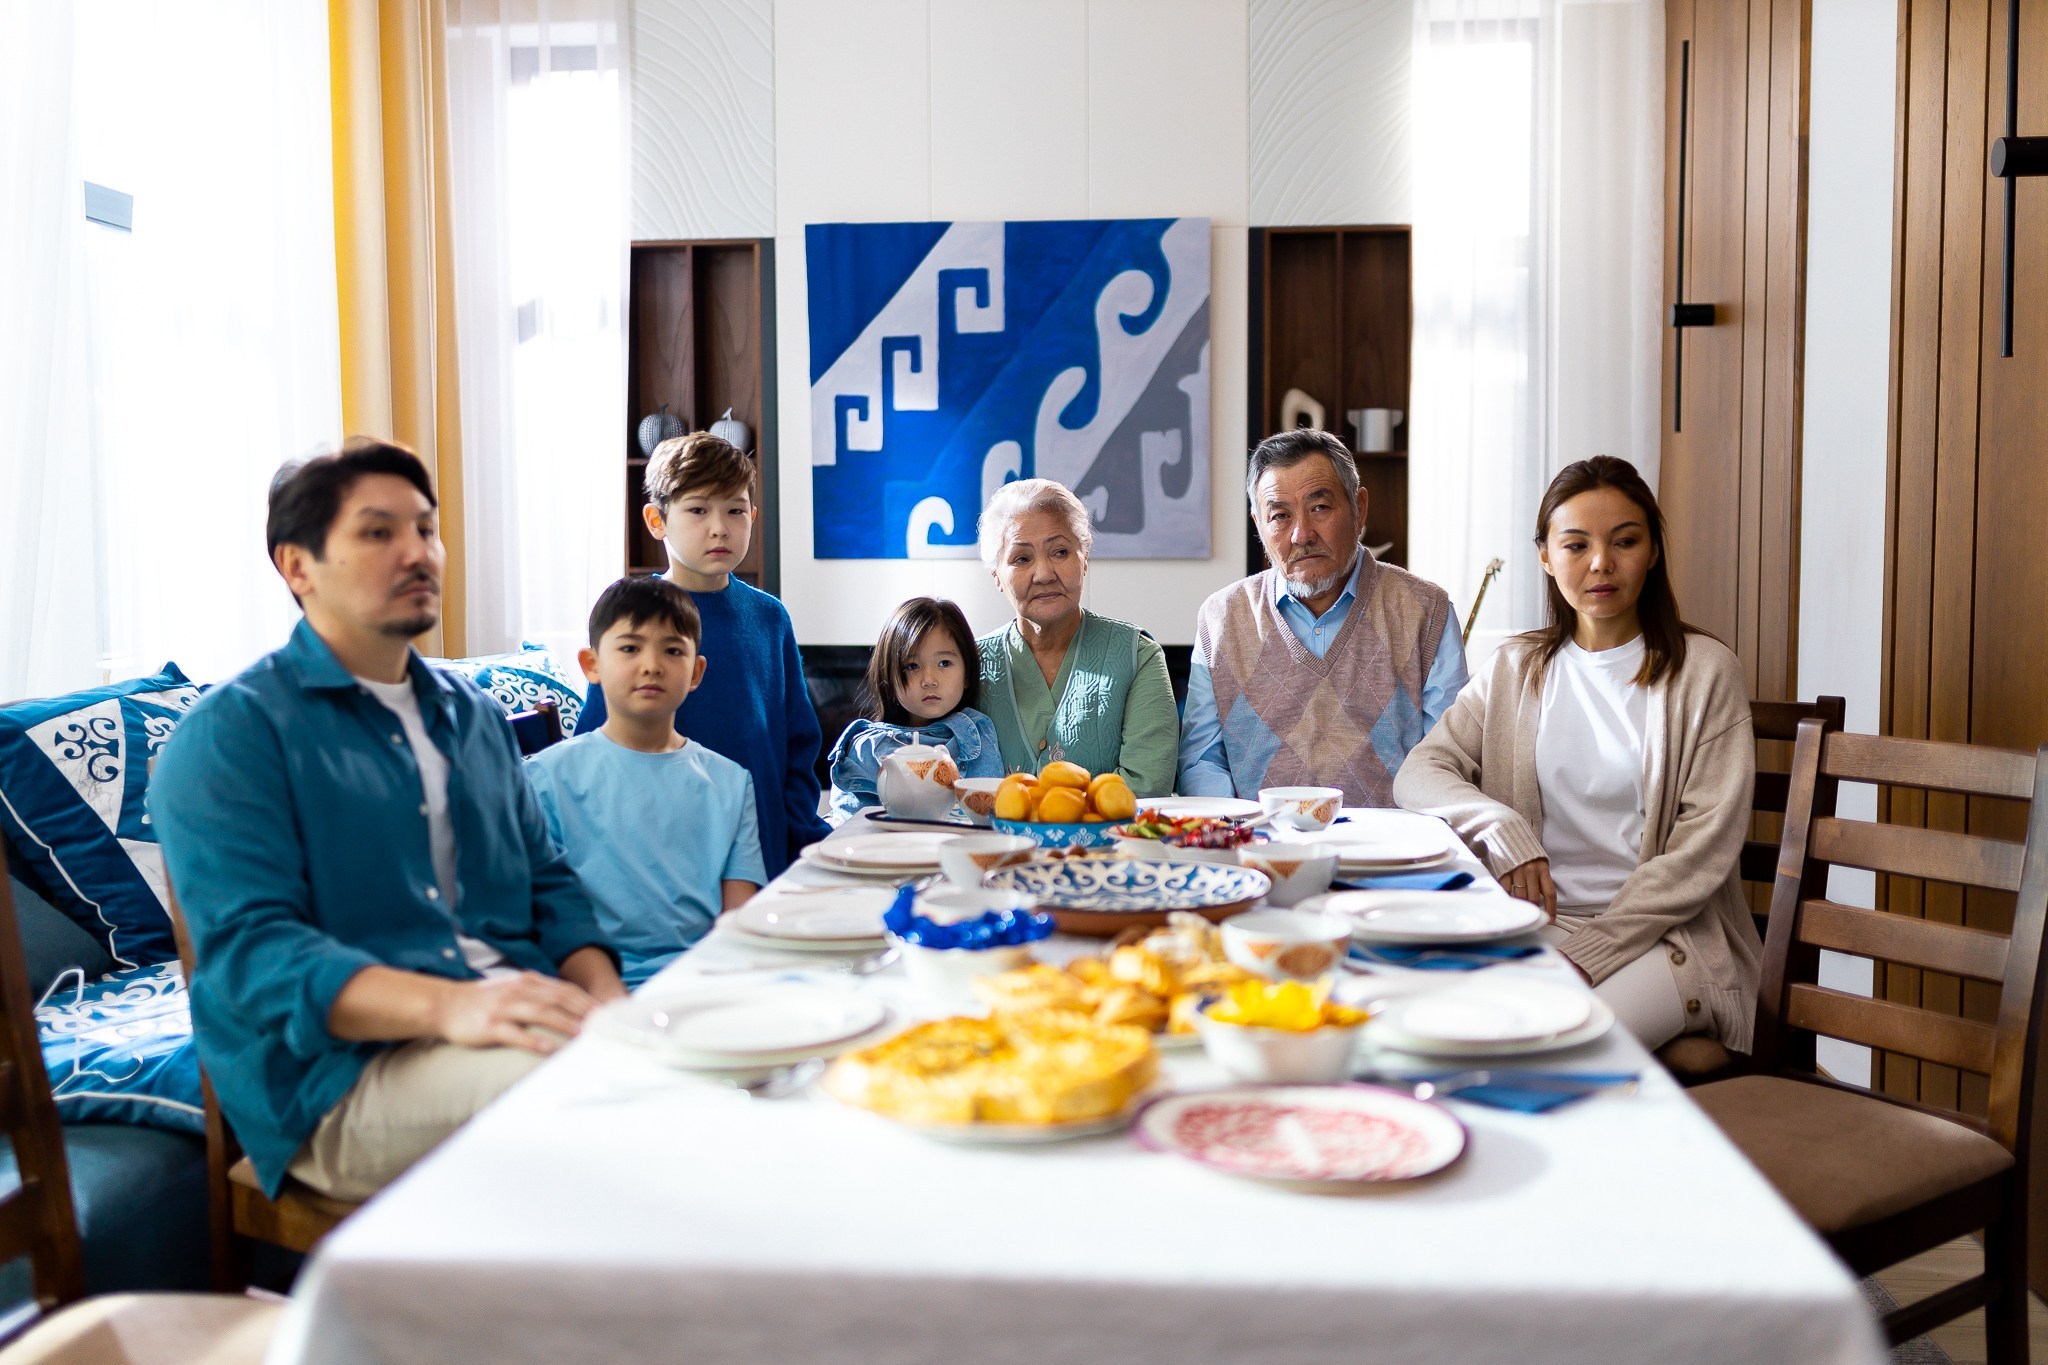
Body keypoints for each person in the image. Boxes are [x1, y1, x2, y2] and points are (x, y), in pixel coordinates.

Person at [150, 439, 625, 1204]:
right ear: (297, 567)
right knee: (603, 1102)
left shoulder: (472, 714)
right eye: (378, 532)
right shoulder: (232, 733)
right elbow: (254, 954)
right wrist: (457, 1004)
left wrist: (609, 1001)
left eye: (427, 528)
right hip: (336, 1080)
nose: (419, 552)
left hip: (505, 1020)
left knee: (695, 1060)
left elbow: (547, 880)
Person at [1393, 456, 1760, 1051]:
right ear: (1545, 556)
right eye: (1576, 544)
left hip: (1665, 940)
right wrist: (1502, 825)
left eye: (1625, 541)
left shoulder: (1706, 673)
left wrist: (1592, 949)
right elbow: (1420, 772)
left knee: (1540, 1043)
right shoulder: (1517, 668)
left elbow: (1701, 853)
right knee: (1420, 1020)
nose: (1600, 564)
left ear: (1654, 551)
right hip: (1533, 928)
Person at [574, 431, 830, 877]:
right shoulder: (632, 618)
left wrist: (797, 841)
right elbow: (597, 748)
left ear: (752, 515)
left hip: (764, 851)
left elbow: (798, 746)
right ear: (657, 520)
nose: (720, 527)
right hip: (660, 858)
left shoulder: (769, 617)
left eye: (734, 510)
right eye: (697, 510)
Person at [1180, 429, 1468, 806]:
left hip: (1391, 853)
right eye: (1280, 516)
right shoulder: (1222, 619)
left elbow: (1446, 760)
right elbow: (1202, 762)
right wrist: (1239, 838)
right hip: (1259, 850)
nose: (1302, 534)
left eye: (1320, 508)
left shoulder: (1426, 611)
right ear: (1259, 525)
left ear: (1359, 507)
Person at [528, 576, 765, 988]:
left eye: (673, 650)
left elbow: (737, 918)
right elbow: (542, 915)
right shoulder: (545, 777)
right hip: (589, 986)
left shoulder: (730, 781)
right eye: (630, 648)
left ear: (696, 671)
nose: (652, 664)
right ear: (592, 665)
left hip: (705, 981)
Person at [974, 478, 1178, 794]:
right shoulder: (968, 665)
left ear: (1084, 559)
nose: (1043, 574)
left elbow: (1147, 786)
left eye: (1060, 552)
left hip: (1110, 844)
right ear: (997, 576)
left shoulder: (1138, 656)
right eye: (1022, 559)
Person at [825, 597, 1004, 823]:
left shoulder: (978, 731)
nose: (929, 680)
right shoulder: (867, 747)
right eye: (912, 666)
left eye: (944, 663)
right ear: (889, 678)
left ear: (967, 674)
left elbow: (989, 819)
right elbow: (848, 825)